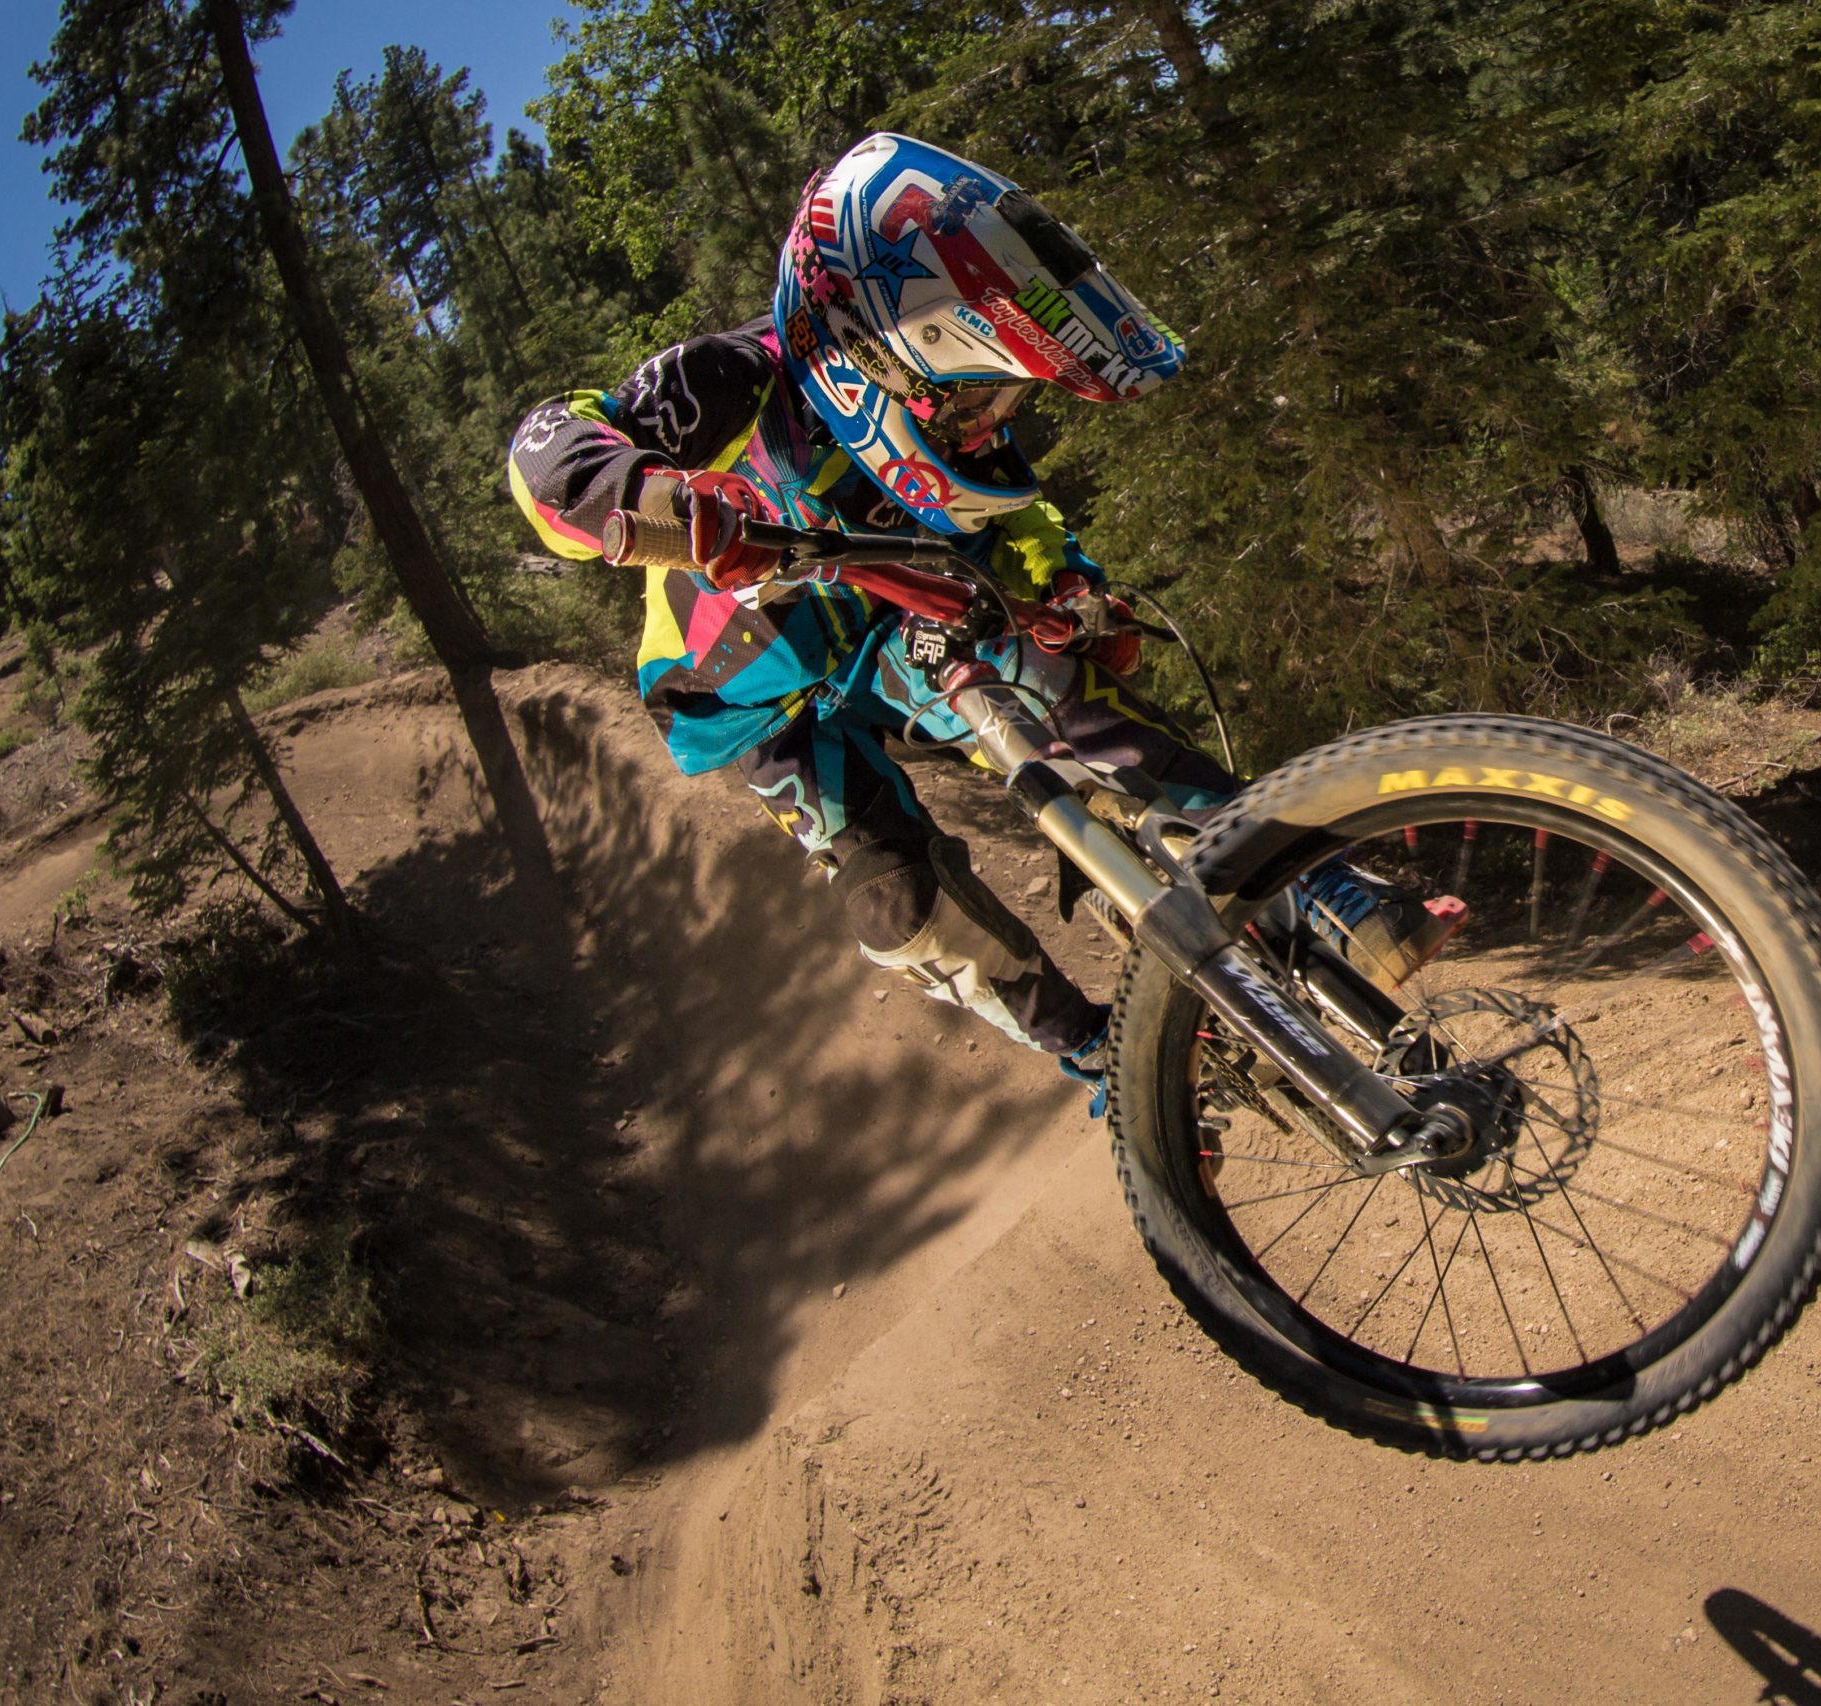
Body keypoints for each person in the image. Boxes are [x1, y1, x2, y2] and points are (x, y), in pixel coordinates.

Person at [507, 133, 1448, 1113]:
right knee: (900, 904)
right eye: (971, 397)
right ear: (872, 354)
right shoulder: (732, 378)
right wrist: (652, 500)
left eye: (1002, 397)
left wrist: (1078, 593)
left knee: (1048, 685)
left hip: (888, 623)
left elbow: (1015, 519)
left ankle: (1319, 890)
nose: (988, 422)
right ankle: (1099, 1055)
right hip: (745, 700)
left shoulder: (950, 447)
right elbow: (547, 444)